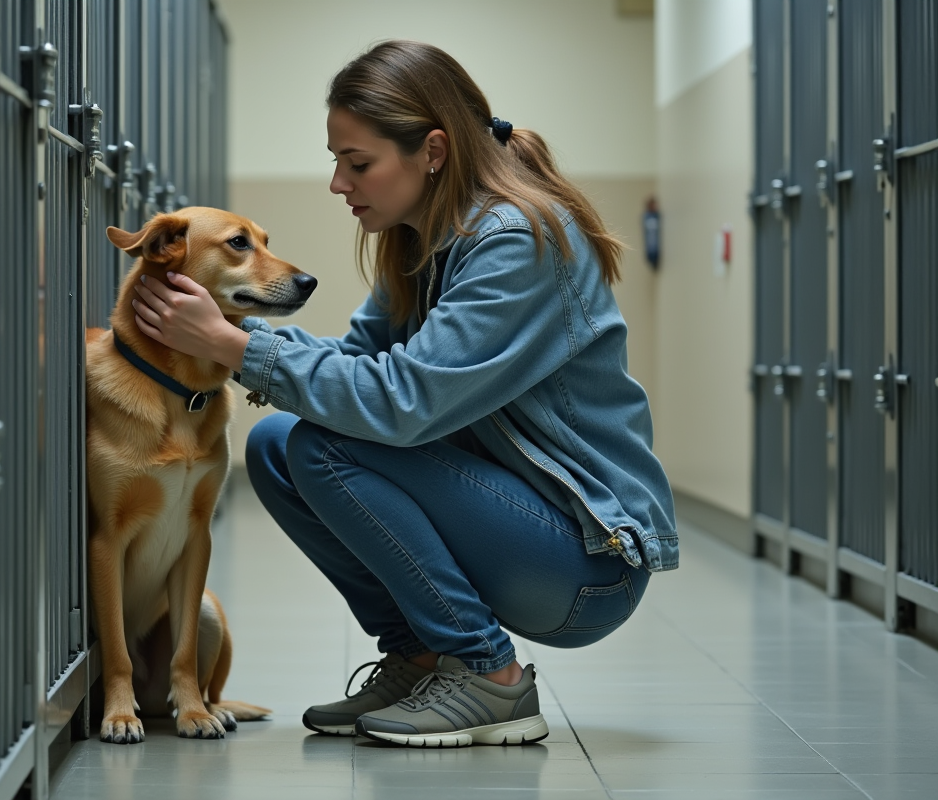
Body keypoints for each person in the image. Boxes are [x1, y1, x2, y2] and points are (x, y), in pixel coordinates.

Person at [131, 39, 677, 748]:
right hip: (520, 520)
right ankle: (421, 658)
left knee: (324, 446)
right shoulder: (423, 240)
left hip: (587, 562)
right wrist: (233, 337)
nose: (337, 183)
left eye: (356, 163)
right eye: (336, 162)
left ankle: (490, 677)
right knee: (275, 443)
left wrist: (234, 346)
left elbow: (400, 402)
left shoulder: (516, 241)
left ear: (434, 152)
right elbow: (359, 365)